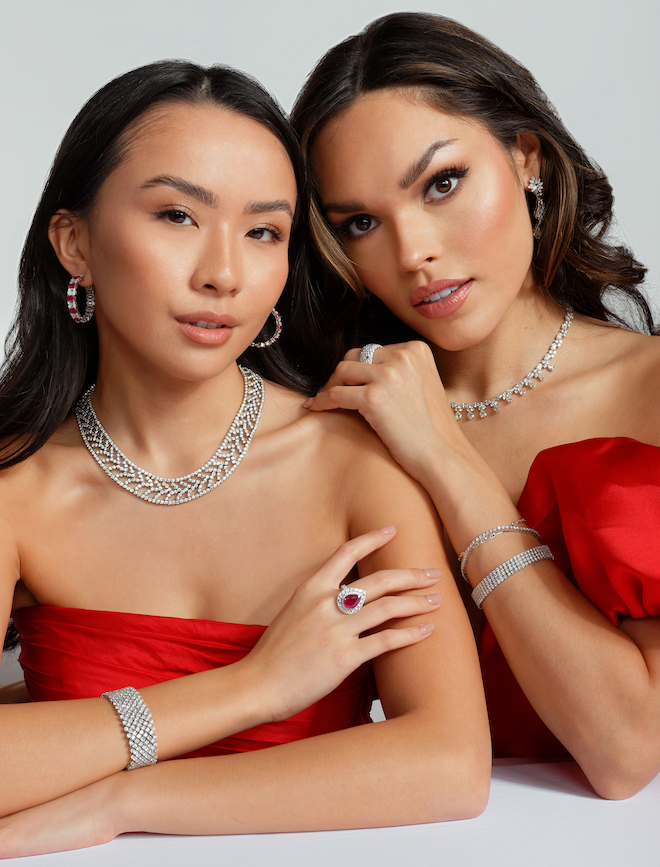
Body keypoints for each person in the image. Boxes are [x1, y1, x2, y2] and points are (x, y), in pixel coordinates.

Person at [0, 61, 490, 857]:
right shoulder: (17, 484)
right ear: (75, 242)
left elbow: (450, 762)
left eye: (263, 231)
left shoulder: (353, 460)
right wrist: (251, 687)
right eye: (177, 216)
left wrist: (124, 799)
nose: (223, 273)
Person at [292, 12, 660, 800]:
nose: (413, 251)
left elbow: (626, 749)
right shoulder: (333, 413)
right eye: (360, 223)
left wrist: (443, 459)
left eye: (442, 183)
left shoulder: (650, 393)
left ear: (525, 156)